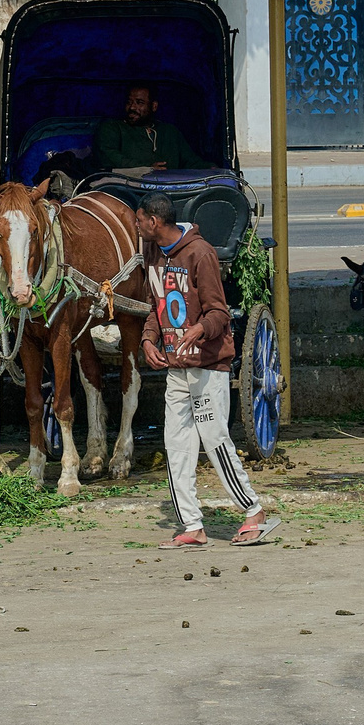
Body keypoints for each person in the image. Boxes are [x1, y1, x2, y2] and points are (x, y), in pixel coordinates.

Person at [136, 192, 280, 549]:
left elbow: (218, 311)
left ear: (154, 222)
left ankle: (254, 511)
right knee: (176, 445)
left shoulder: (201, 254)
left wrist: (200, 329)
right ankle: (191, 525)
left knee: (214, 439)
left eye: (139, 221)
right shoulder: (153, 254)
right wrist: (149, 340)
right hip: (176, 369)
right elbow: (157, 305)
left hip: (207, 367)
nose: (136, 227)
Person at [92, 83, 204, 172]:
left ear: (154, 106)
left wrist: (211, 168)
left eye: (139, 102)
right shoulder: (112, 127)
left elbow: (190, 160)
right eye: (129, 102)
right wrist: (146, 168)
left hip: (169, 193)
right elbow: (107, 157)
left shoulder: (169, 131)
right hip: (126, 192)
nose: (132, 107)